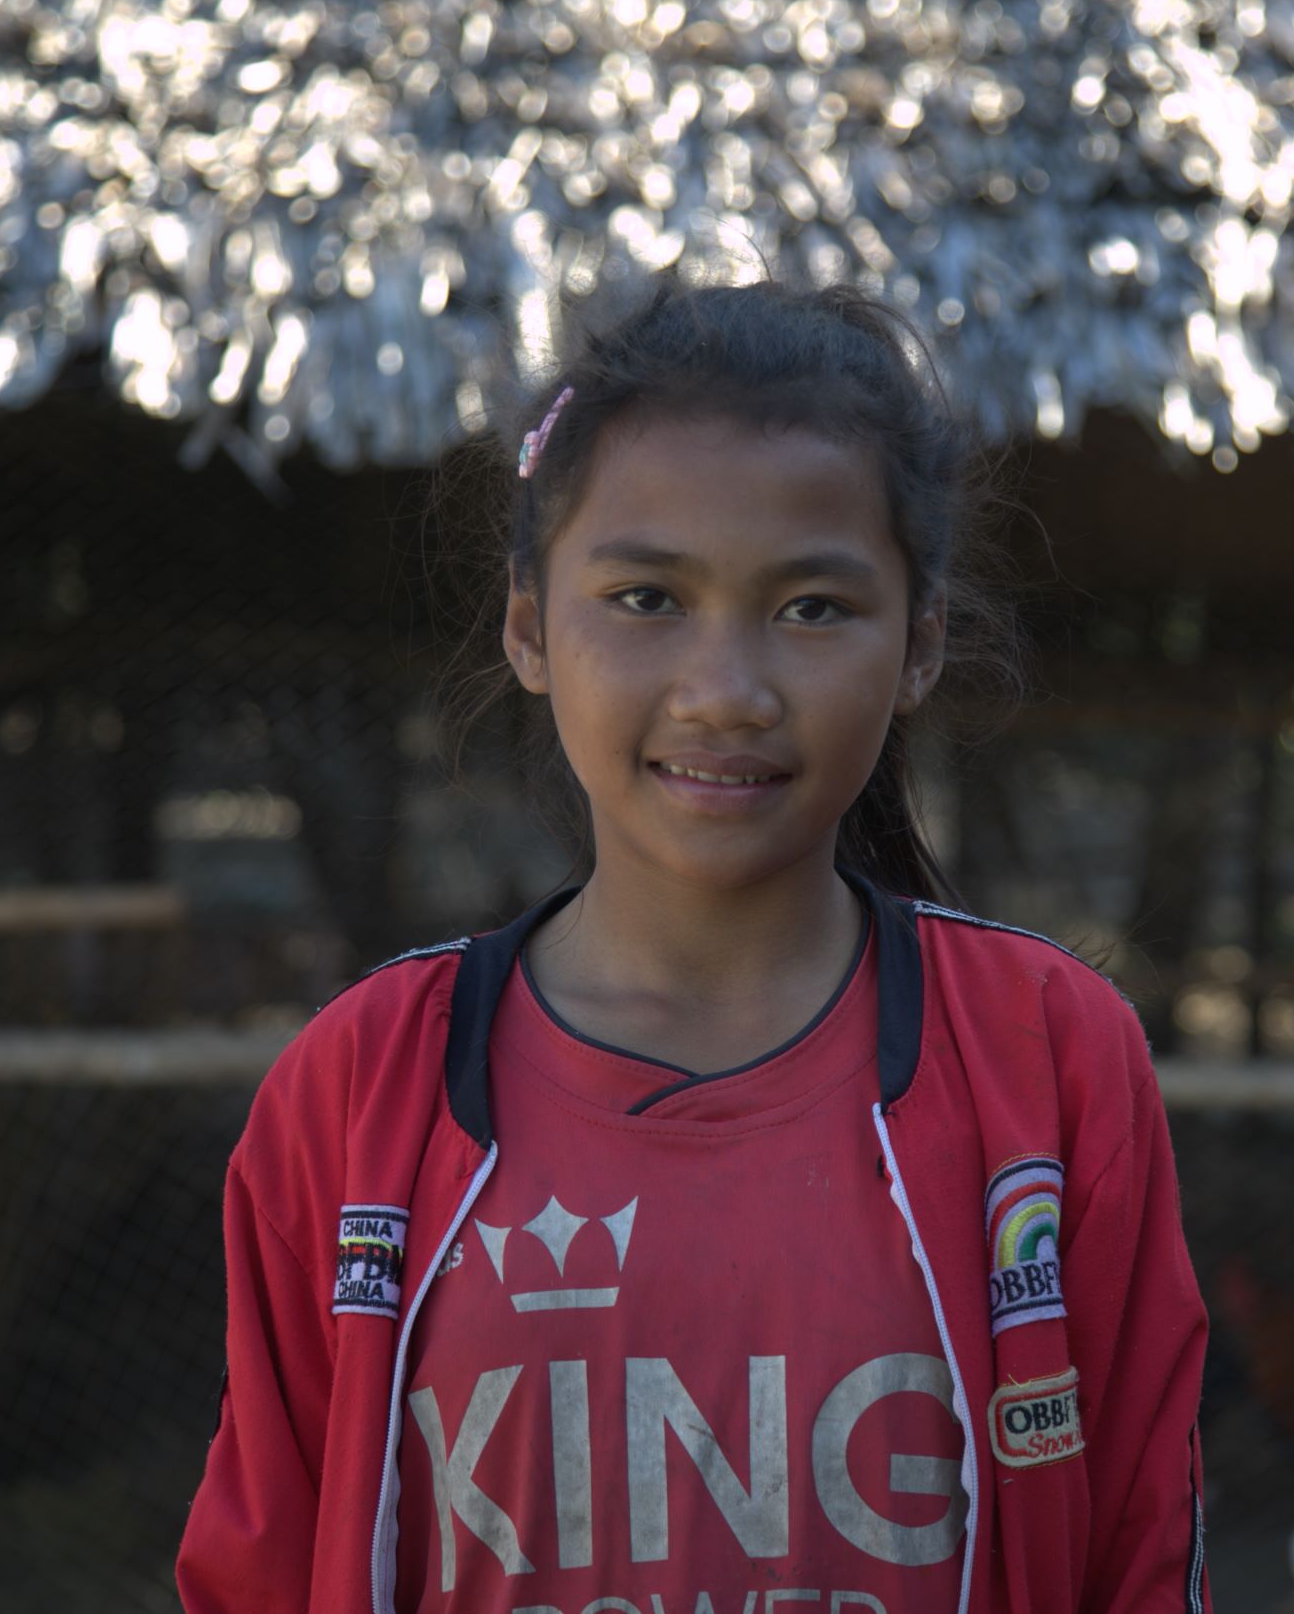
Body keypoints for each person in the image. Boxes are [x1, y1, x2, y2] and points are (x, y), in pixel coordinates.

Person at [176, 278, 1213, 1614]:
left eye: (814, 610)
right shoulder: (361, 1091)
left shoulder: (1044, 1058)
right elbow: (255, 1574)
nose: (726, 691)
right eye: (649, 597)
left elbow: (1138, 1549)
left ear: (920, 645)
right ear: (530, 626)